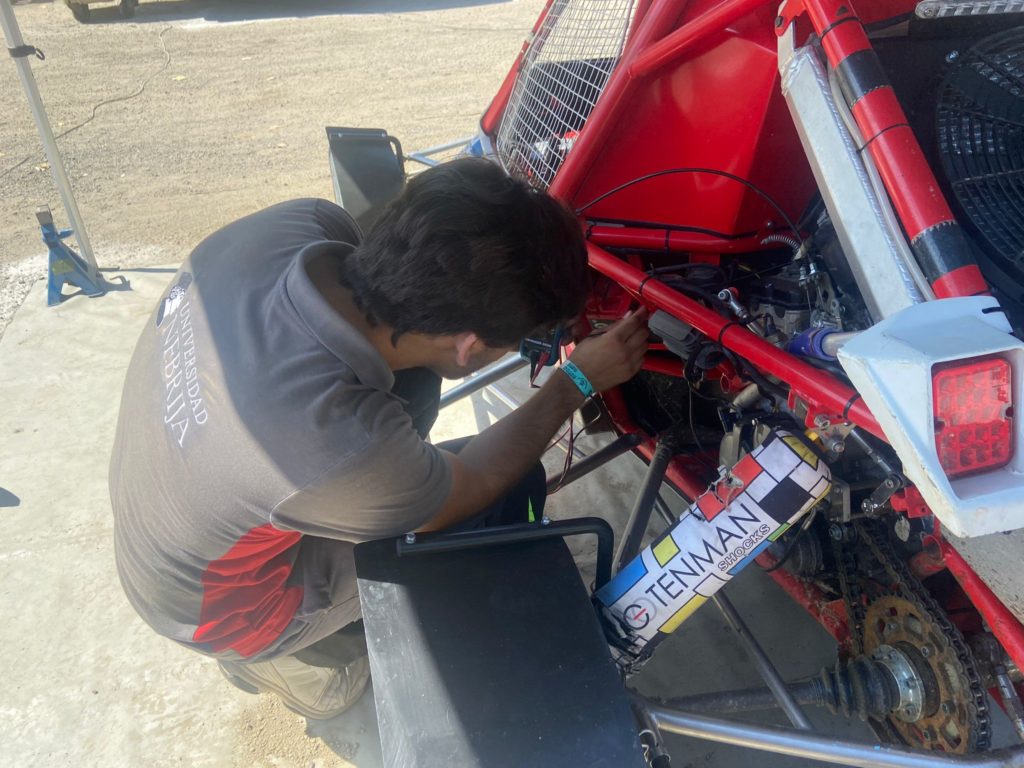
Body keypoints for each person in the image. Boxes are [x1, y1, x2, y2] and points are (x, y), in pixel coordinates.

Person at [109, 157, 649, 719]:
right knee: (492, 504)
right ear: (469, 346)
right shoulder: (333, 444)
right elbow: (476, 483)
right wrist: (575, 382)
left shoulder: (301, 225)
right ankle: (301, 663)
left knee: (415, 386)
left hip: (166, 510)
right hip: (221, 609)